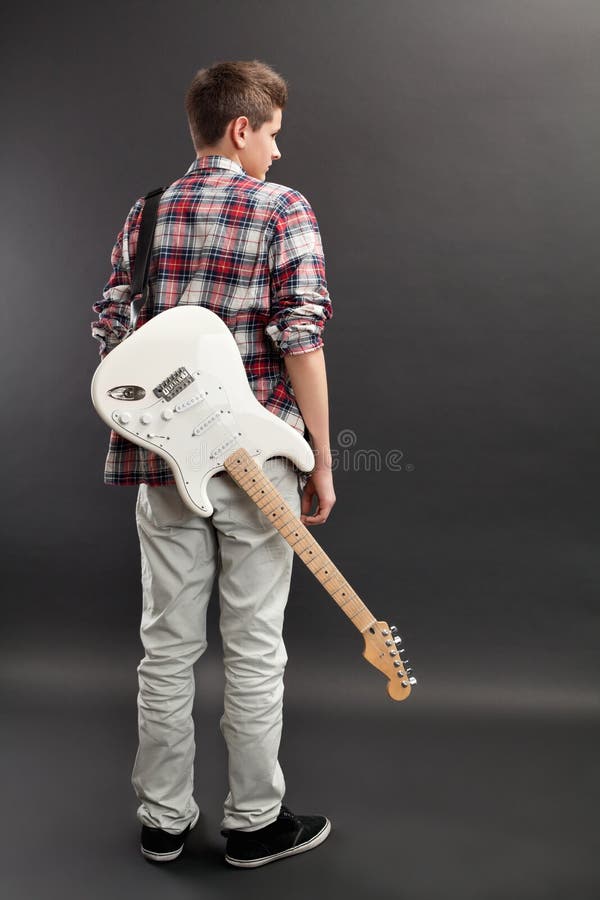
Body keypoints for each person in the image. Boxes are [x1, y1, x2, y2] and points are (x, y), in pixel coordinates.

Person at [91, 59, 335, 868]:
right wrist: (321, 462)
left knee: (166, 646)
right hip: (260, 463)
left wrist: (169, 417)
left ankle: (163, 820)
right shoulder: (281, 209)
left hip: (162, 465)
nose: (277, 152)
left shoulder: (148, 211)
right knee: (256, 644)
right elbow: (301, 342)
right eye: (273, 134)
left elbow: (112, 336)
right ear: (242, 128)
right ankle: (254, 822)